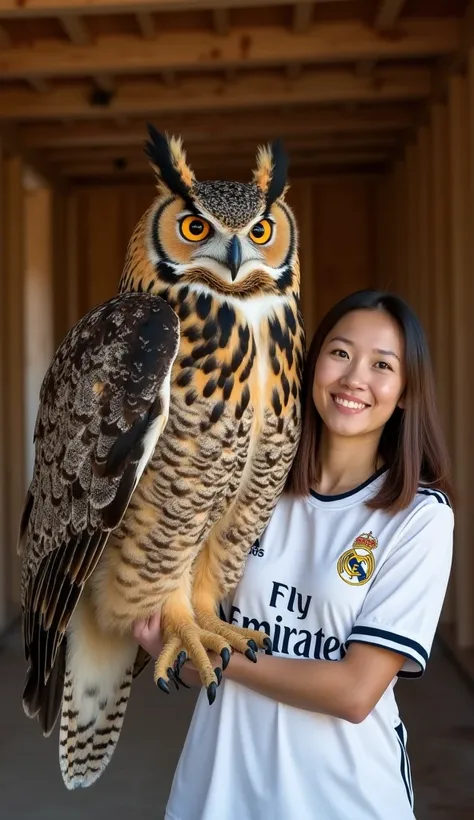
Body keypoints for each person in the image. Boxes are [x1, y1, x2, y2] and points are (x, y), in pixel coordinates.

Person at [134, 289, 454, 820]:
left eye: (382, 365)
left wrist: (221, 657)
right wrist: (169, 639)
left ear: (404, 393)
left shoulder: (418, 518)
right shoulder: (248, 489)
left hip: (342, 801)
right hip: (218, 793)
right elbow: (200, 658)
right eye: (340, 353)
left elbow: (355, 692)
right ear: (311, 365)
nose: (355, 379)